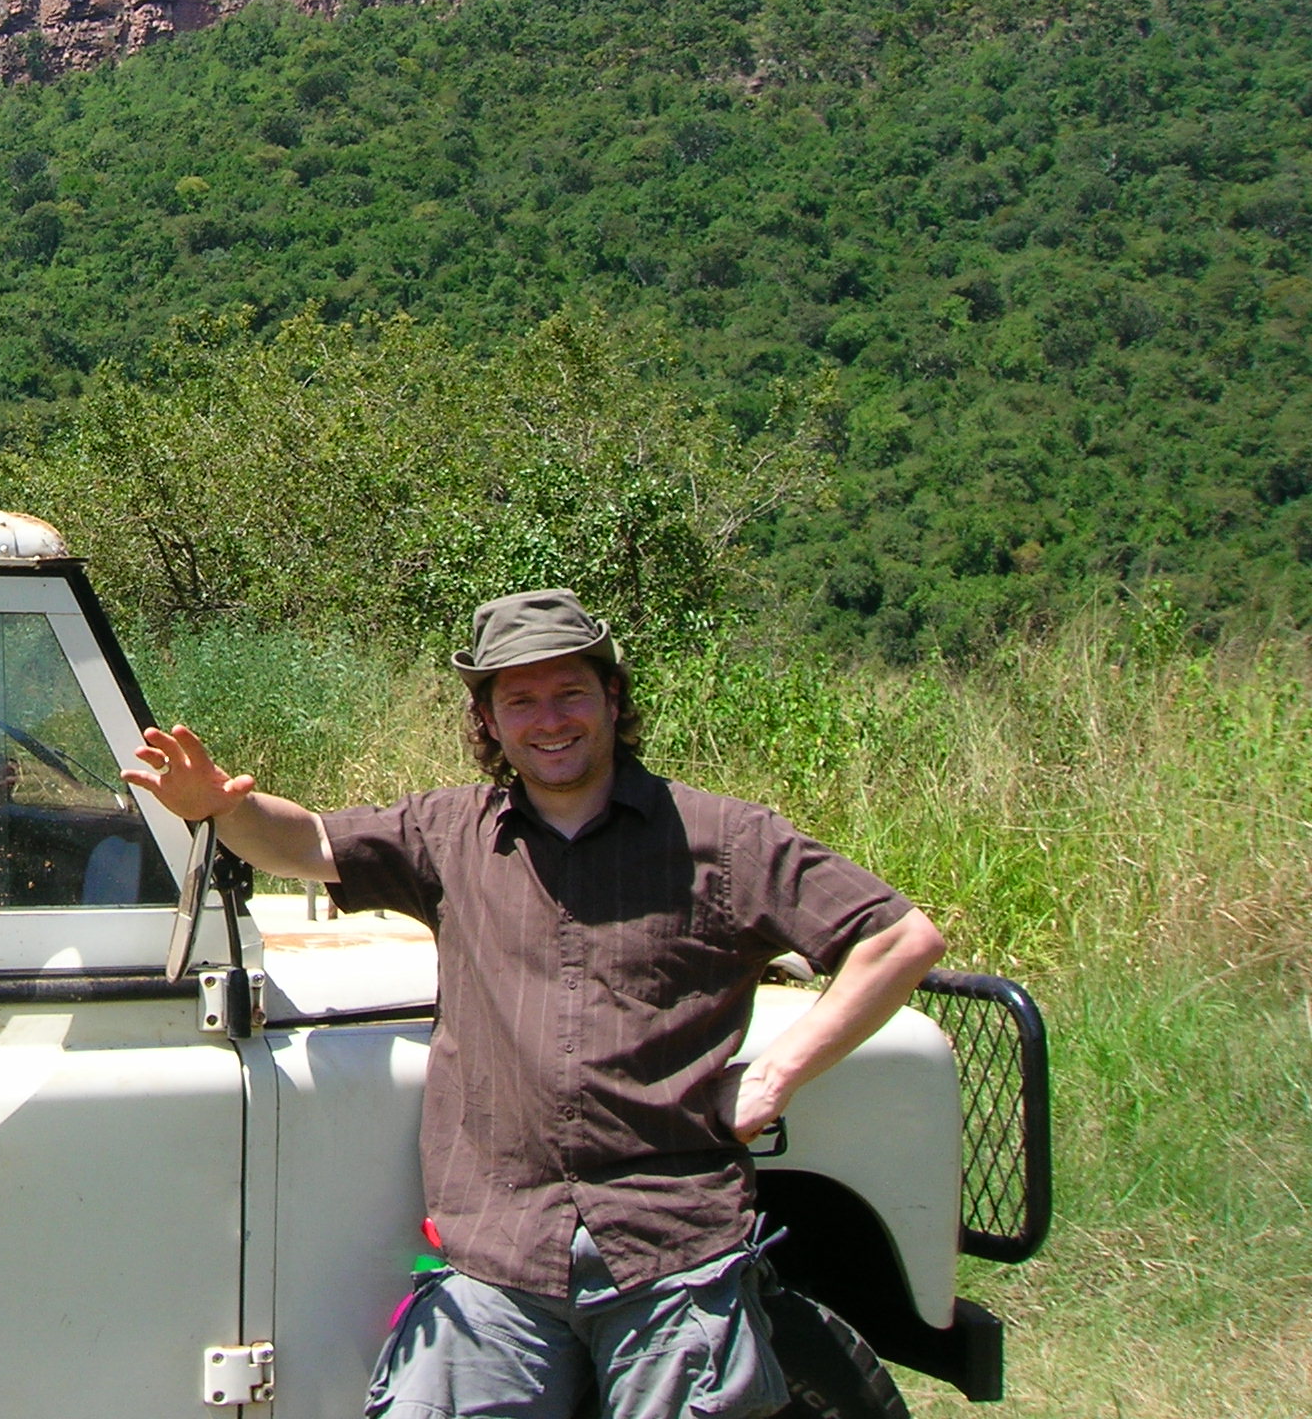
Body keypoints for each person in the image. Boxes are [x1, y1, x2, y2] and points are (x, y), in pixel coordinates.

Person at [128, 588, 946, 1419]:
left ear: (613, 699)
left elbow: (899, 940)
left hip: (670, 1249)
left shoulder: (721, 841)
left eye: (570, 693)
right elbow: (305, 843)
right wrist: (223, 809)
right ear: (488, 719)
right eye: (519, 700)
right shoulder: (451, 834)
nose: (548, 720)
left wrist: (776, 1075)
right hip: (500, 1255)